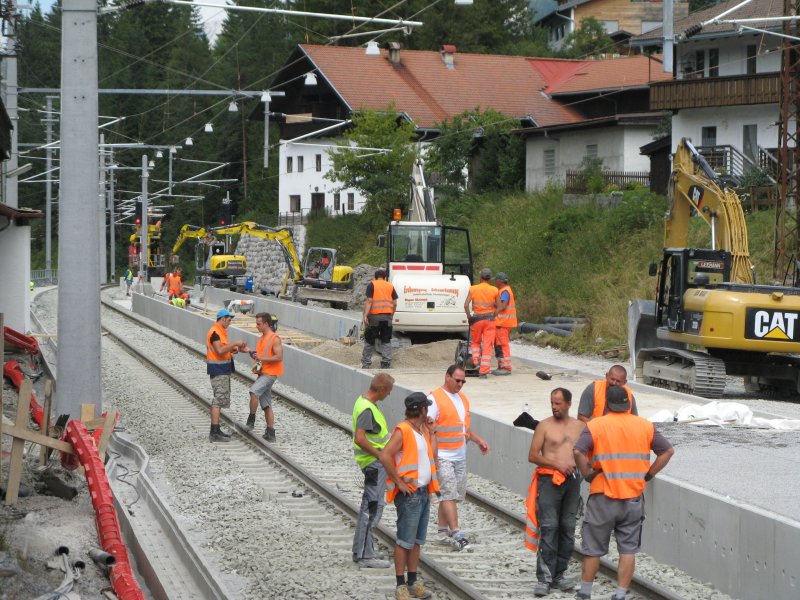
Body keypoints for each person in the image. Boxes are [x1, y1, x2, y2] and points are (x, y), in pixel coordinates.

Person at [573, 385, 675, 600]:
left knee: (593, 548)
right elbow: (667, 451)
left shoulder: (596, 425)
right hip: (633, 498)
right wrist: (648, 475)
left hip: (602, 496)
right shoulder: (645, 426)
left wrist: (587, 473)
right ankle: (620, 594)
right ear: (629, 403)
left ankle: (585, 592)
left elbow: (578, 451)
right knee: (627, 549)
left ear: (608, 404)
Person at [525, 388, 585, 596]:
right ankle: (544, 578)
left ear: (569, 404)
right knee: (549, 526)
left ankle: (559, 574)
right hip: (549, 480)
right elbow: (532, 456)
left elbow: (587, 452)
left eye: (558, 403)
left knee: (568, 528)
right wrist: (556, 464)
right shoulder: (544, 426)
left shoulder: (580, 426)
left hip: (573, 482)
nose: (554, 407)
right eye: (552, 402)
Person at [380, 392, 439, 600]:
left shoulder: (421, 430)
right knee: (404, 541)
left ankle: (413, 582)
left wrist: (432, 432)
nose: (428, 411)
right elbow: (385, 455)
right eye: (427, 407)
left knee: (416, 541)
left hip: (422, 493)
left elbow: (432, 455)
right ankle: (400, 585)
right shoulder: (403, 430)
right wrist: (398, 482)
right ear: (421, 409)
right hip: (410, 495)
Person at [427, 364, 489, 551]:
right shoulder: (433, 398)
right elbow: (427, 428)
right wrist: (432, 457)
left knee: (453, 495)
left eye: (463, 381)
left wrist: (478, 440)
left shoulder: (463, 399)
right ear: (447, 377)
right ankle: (457, 533)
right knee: (448, 494)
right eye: (458, 380)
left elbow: (464, 428)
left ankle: (441, 531)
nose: (461, 384)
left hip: (459, 455)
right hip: (442, 456)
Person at [351, 372, 395, 569]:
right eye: (389, 391)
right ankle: (363, 555)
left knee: (371, 507)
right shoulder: (367, 409)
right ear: (381, 389)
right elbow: (360, 438)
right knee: (371, 509)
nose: (389, 395)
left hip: (373, 464)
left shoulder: (365, 403)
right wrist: (379, 455)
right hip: (373, 465)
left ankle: (365, 550)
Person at [206, 308, 248, 443]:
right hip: (218, 370)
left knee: (220, 399)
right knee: (218, 400)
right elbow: (219, 350)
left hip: (222, 369)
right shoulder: (215, 333)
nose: (230, 322)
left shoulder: (221, 332)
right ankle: (214, 431)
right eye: (229, 320)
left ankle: (216, 430)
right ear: (223, 318)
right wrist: (235, 343)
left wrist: (234, 349)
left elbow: (224, 350)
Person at [245, 312, 282, 443]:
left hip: (270, 374)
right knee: (266, 405)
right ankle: (270, 433)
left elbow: (279, 357)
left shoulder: (275, 338)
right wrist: (251, 352)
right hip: (263, 373)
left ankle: (251, 419)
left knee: (253, 392)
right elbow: (260, 356)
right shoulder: (261, 339)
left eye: (258, 324)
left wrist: (262, 358)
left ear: (266, 324)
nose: (257, 326)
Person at [464, 267, 501, 379]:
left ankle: (476, 362)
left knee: (475, 342)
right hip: (490, 321)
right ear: (490, 278)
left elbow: (466, 305)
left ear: (480, 277)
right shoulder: (495, 290)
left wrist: (469, 317)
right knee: (487, 345)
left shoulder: (473, 288)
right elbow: (499, 307)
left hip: (476, 320)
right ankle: (483, 372)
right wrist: (494, 315)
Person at [361, 268, 398, 369]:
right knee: (386, 340)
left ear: (375, 277)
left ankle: (366, 363)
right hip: (387, 317)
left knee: (369, 340)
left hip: (374, 317)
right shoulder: (390, 286)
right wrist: (392, 314)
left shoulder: (372, 285)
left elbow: (369, 301)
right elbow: (394, 303)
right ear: (385, 277)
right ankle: (386, 363)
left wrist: (365, 315)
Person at [492, 271, 516, 376]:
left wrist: (493, 313)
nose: (495, 282)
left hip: (503, 323)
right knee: (499, 345)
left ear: (500, 281)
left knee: (503, 345)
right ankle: (501, 366)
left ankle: (506, 367)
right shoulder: (504, 290)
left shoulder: (505, 291)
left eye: (496, 280)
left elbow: (503, 306)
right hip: (503, 323)